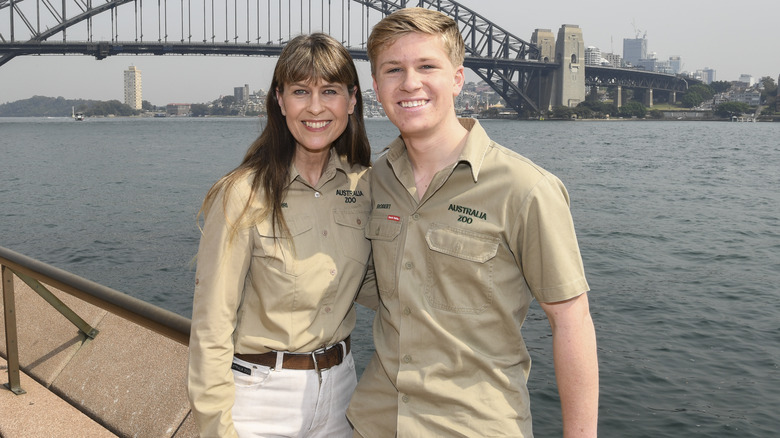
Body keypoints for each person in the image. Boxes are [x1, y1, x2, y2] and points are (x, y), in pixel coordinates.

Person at [347, 8, 598, 437]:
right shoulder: (375, 181)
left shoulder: (526, 188)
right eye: (393, 70)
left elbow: (571, 321)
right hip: (374, 422)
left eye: (427, 66)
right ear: (376, 86)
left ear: (458, 78)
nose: (410, 83)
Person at [188, 32, 376, 438]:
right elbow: (211, 327)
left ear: (353, 99)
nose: (315, 107)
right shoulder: (242, 193)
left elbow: (381, 284)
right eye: (299, 91)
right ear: (279, 100)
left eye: (330, 91)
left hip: (343, 391)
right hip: (262, 399)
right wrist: (216, 428)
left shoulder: (365, 188)